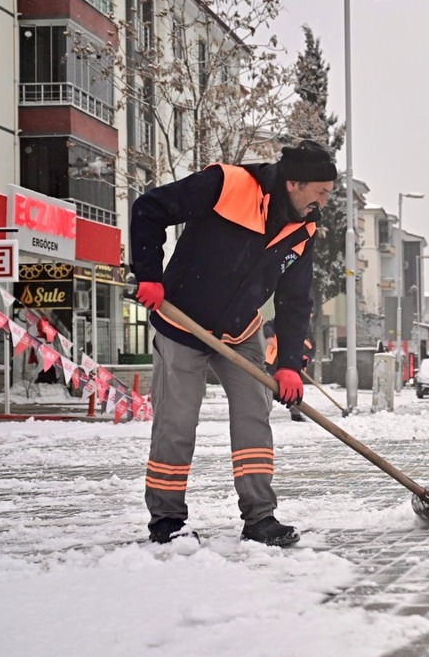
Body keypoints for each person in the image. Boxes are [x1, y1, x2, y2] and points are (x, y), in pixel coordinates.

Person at [129, 139, 336, 546]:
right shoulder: (227, 184)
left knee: (253, 418)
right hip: (182, 323)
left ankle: (260, 517)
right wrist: (149, 274)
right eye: (321, 192)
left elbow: (296, 301)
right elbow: (148, 209)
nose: (323, 203)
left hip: (241, 330)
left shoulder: (302, 230)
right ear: (295, 183)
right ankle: (167, 520)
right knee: (176, 423)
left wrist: (289, 363)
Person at [263, 320, 313, 422]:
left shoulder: (308, 332)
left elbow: (310, 351)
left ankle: (295, 413)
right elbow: (268, 325)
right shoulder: (286, 321)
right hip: (274, 362)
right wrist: (270, 336)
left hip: (294, 365)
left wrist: (303, 363)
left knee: (294, 389)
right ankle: (263, 412)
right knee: (268, 389)